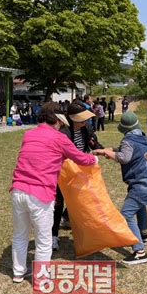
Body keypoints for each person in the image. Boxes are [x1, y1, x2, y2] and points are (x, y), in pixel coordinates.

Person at [10, 102, 98, 283]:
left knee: (20, 235)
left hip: (18, 190)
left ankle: (18, 272)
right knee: (44, 240)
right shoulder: (59, 138)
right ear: (58, 120)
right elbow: (81, 158)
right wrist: (96, 158)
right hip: (40, 194)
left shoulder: (28, 134)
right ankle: (41, 279)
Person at [93, 111, 147, 265]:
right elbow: (125, 151)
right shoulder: (143, 138)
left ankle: (140, 252)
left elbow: (125, 157)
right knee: (140, 205)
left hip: (143, 184)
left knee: (126, 214)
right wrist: (107, 150)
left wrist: (106, 152)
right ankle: (142, 235)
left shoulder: (128, 141)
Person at [51, 104, 103, 250]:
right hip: (63, 171)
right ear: (72, 118)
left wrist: (102, 150)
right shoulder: (63, 132)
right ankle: (53, 236)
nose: (84, 122)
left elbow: (93, 143)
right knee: (58, 203)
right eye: (81, 120)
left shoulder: (87, 129)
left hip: (80, 169)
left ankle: (67, 218)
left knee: (81, 197)